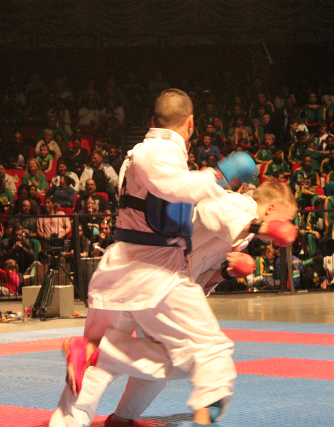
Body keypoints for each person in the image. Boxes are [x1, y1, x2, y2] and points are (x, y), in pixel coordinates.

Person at [49, 88, 258, 427]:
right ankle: (105, 355)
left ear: (152, 120)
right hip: (154, 271)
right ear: (191, 123)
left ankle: (74, 411)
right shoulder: (157, 151)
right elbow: (176, 188)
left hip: (129, 269)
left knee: (97, 367)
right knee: (207, 351)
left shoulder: (146, 154)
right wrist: (221, 174)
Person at [54, 179, 297, 427]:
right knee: (194, 354)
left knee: (150, 362)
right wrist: (262, 226)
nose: (288, 227)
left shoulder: (242, 235)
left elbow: (200, 279)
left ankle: (115, 416)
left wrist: (227, 273)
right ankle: (103, 357)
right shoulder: (240, 205)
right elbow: (209, 210)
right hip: (151, 276)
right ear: (270, 209)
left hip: (160, 284)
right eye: (287, 219)